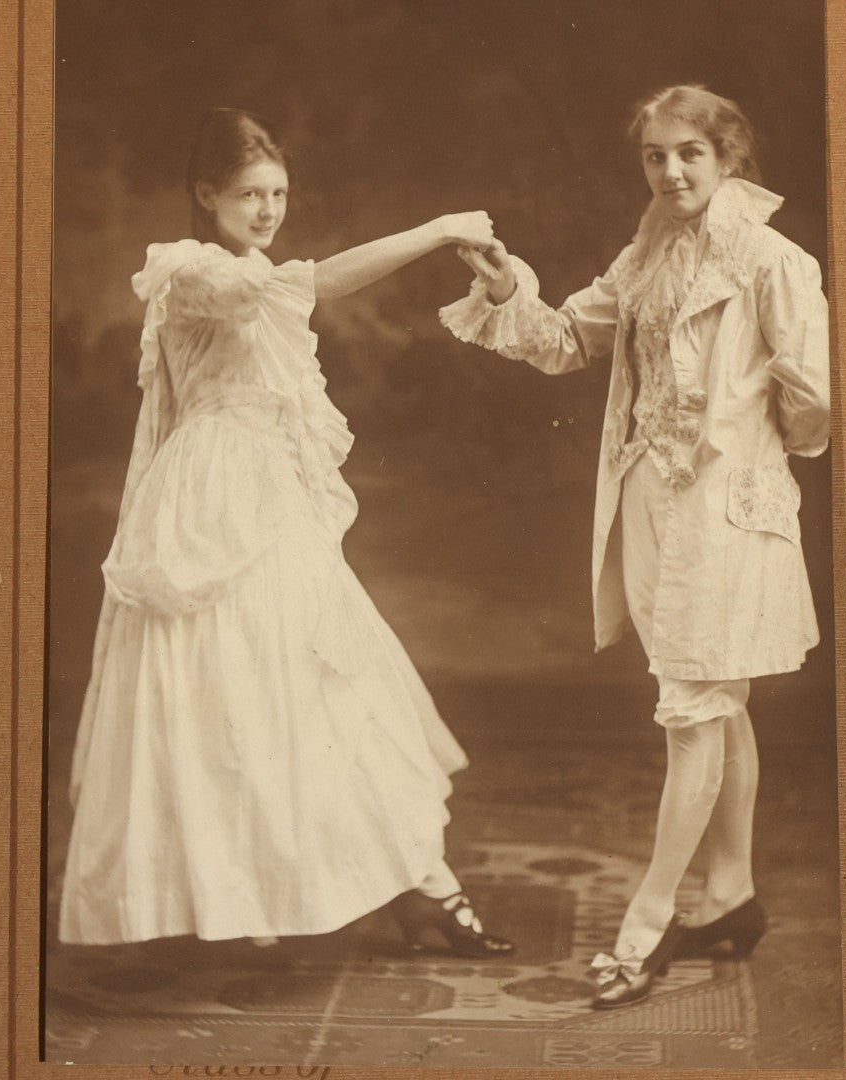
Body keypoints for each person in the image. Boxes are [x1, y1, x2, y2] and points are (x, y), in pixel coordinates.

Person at [58, 107, 515, 960]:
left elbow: (292, 312)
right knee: (229, 694)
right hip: (211, 496)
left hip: (269, 493)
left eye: (277, 193)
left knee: (329, 684)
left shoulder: (255, 269)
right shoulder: (189, 270)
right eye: (247, 195)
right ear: (205, 195)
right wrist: (438, 228)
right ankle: (245, 889)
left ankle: (422, 886)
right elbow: (323, 281)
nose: (266, 210)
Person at [439, 84, 829, 1006]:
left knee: (697, 709)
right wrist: (504, 287)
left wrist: (745, 425)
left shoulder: (773, 261)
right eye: (655, 156)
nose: (672, 171)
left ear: (728, 155)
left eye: (690, 152)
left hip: (727, 517)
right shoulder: (648, 253)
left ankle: (646, 925)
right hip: (650, 508)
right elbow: (568, 338)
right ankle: (729, 894)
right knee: (716, 704)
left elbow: (814, 415)